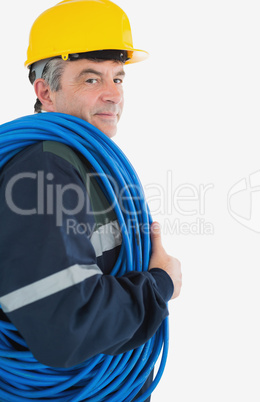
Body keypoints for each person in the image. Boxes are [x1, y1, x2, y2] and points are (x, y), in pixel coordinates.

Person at [0, 0, 182, 400]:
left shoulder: (82, 165)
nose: (112, 94)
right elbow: (66, 328)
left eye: (118, 78)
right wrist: (161, 283)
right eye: (90, 79)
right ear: (46, 91)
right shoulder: (41, 173)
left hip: (112, 384)